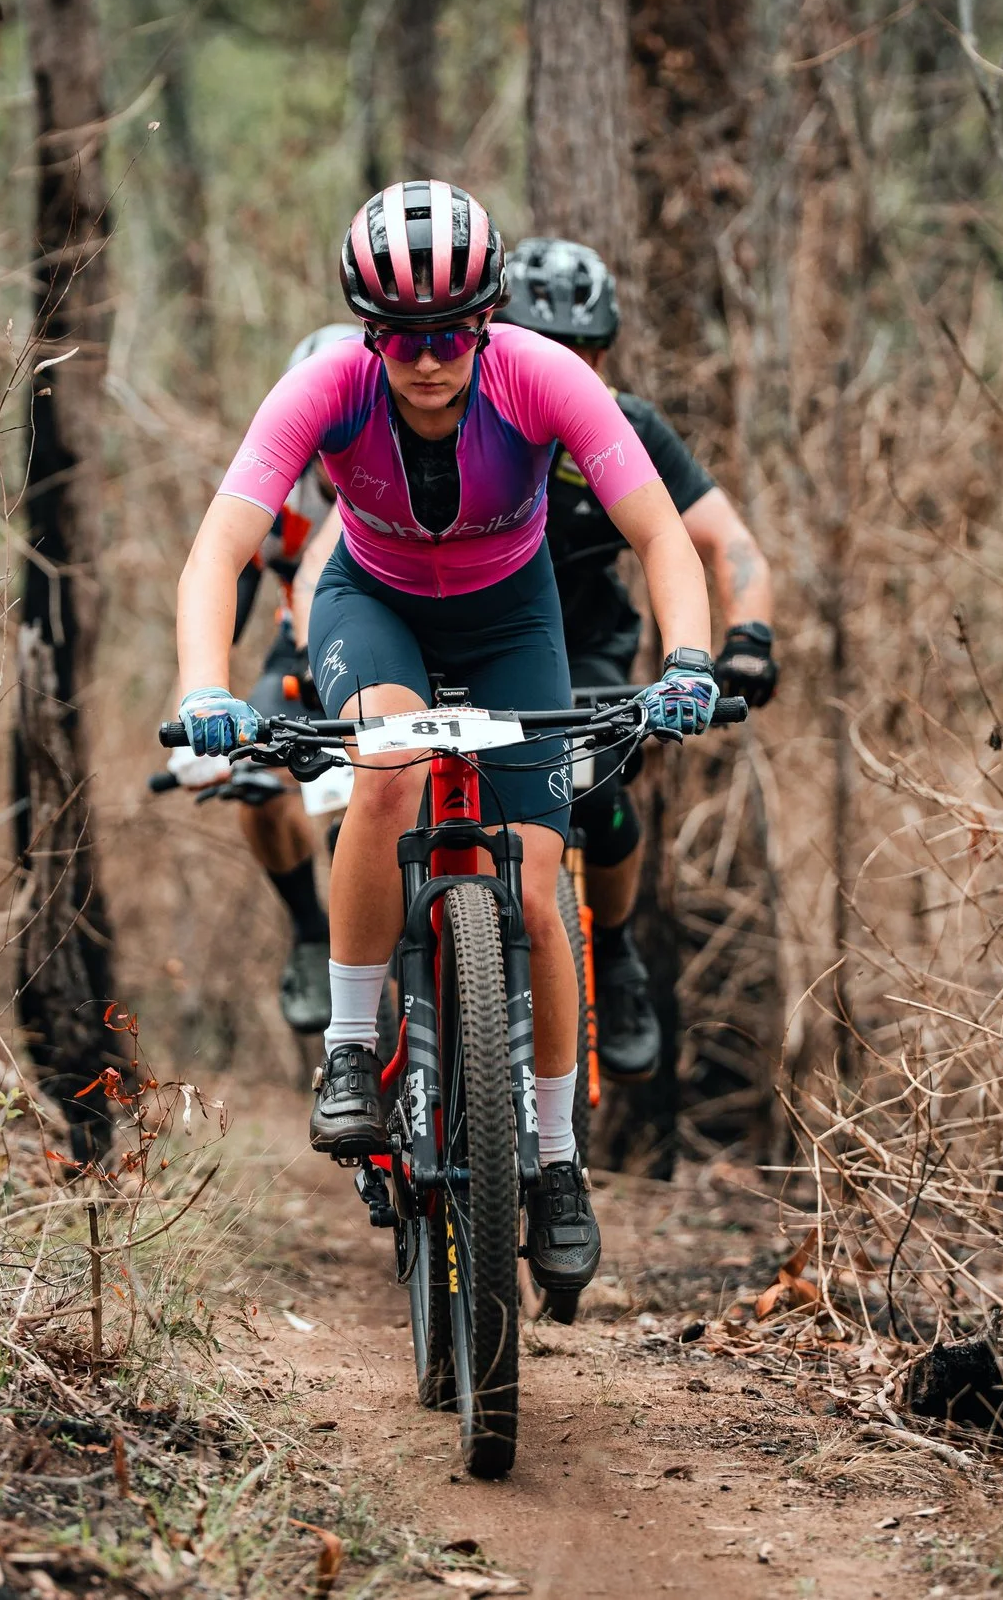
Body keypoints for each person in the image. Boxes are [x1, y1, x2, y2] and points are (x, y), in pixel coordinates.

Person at [170, 180, 722, 1299]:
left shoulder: (545, 377)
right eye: (401, 336)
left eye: (451, 331)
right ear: (369, 334)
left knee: (531, 886)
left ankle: (558, 1163)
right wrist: (204, 685)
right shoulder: (322, 389)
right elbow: (215, 552)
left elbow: (661, 531)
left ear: (486, 318)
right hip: (371, 606)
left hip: (515, 615)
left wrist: (690, 661)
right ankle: (349, 1048)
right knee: (388, 773)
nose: (428, 358)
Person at [498, 235, 779, 1080]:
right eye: (542, 347)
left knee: (598, 791)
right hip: (463, 637)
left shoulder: (627, 430)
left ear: (605, 351)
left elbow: (730, 542)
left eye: (582, 350)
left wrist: (749, 636)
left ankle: (613, 959)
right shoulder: (467, 421)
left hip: (584, 651)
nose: (566, 367)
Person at [166, 323, 364, 1036]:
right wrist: (200, 701)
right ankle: (312, 932)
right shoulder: (281, 496)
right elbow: (232, 591)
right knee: (255, 775)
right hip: (300, 653)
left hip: (402, 644)